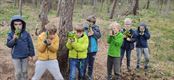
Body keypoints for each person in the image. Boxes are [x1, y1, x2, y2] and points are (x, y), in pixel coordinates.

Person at [6, 15, 35, 80]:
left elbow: (30, 44)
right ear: (13, 25)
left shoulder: (26, 33)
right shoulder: (10, 34)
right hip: (16, 56)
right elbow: (8, 44)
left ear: (23, 24)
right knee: (18, 72)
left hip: (25, 56)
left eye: (20, 24)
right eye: (15, 24)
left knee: (24, 71)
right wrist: (14, 39)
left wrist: (31, 54)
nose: (18, 26)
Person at [83, 15, 101, 80]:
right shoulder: (84, 28)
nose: (88, 23)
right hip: (85, 49)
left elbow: (99, 36)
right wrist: (87, 34)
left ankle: (90, 75)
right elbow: (82, 36)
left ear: (93, 23)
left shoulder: (96, 28)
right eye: (88, 21)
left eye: (90, 22)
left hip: (93, 50)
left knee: (91, 64)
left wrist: (93, 33)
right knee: (84, 64)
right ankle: (83, 75)